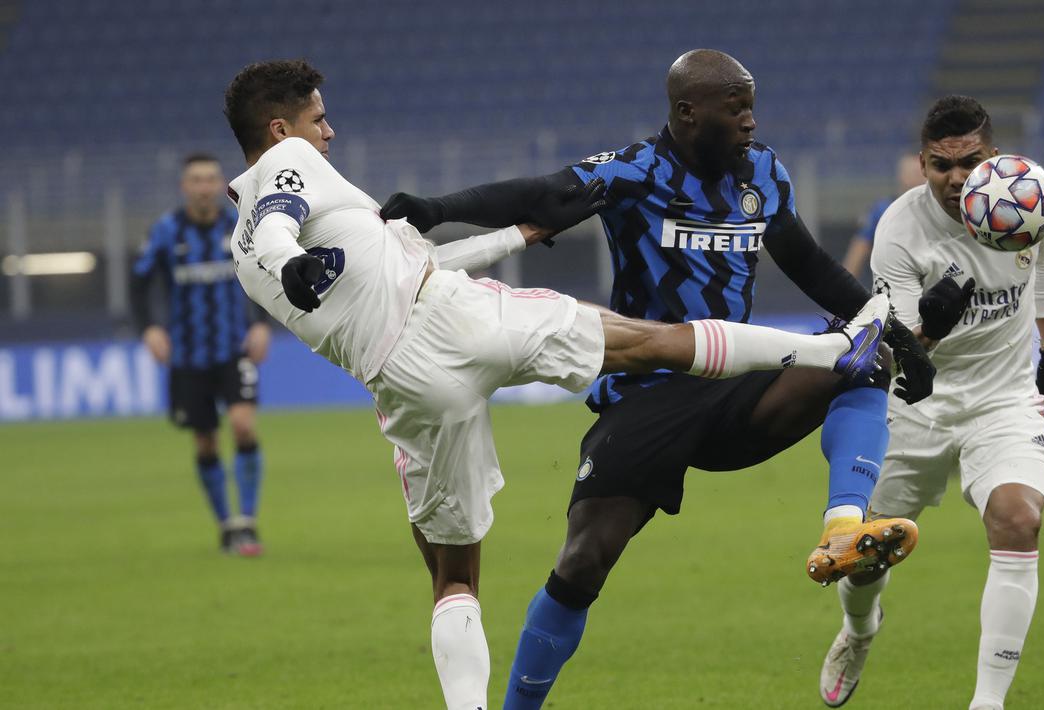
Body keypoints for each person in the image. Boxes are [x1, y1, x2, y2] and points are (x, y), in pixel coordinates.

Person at [222, 58, 891, 710]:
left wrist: (503, 230)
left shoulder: (239, 249)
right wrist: (295, 260)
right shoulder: (292, 165)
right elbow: (280, 217)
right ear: (280, 130)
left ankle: (842, 509)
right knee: (644, 352)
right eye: (319, 118)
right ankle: (832, 346)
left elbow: (399, 254)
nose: (328, 133)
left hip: (403, 385)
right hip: (474, 328)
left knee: (454, 578)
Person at [817, 96, 1044, 710]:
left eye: (971, 161)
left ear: (992, 154)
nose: (957, 178)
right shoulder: (899, 230)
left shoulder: (1022, 195)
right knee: (864, 553)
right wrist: (932, 327)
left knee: (1019, 517)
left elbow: (1042, 267)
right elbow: (906, 354)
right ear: (923, 163)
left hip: (1004, 397)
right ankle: (860, 630)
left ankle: (987, 702)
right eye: (941, 165)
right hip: (916, 405)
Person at [132, 153, 271, 555]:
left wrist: (261, 322)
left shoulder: (239, 224)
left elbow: (265, 269)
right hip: (188, 356)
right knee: (206, 442)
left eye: (211, 178)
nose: (205, 186)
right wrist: (150, 328)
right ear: (185, 186)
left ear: (221, 182)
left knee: (244, 425)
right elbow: (139, 283)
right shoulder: (166, 230)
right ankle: (226, 524)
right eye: (197, 180)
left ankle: (247, 520)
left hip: (234, 348)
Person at [842, 152, 928, 280]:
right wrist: (844, 289)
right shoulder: (882, 210)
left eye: (922, 173)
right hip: (894, 284)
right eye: (914, 173)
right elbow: (859, 248)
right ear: (902, 176)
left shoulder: (937, 208)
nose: (920, 178)